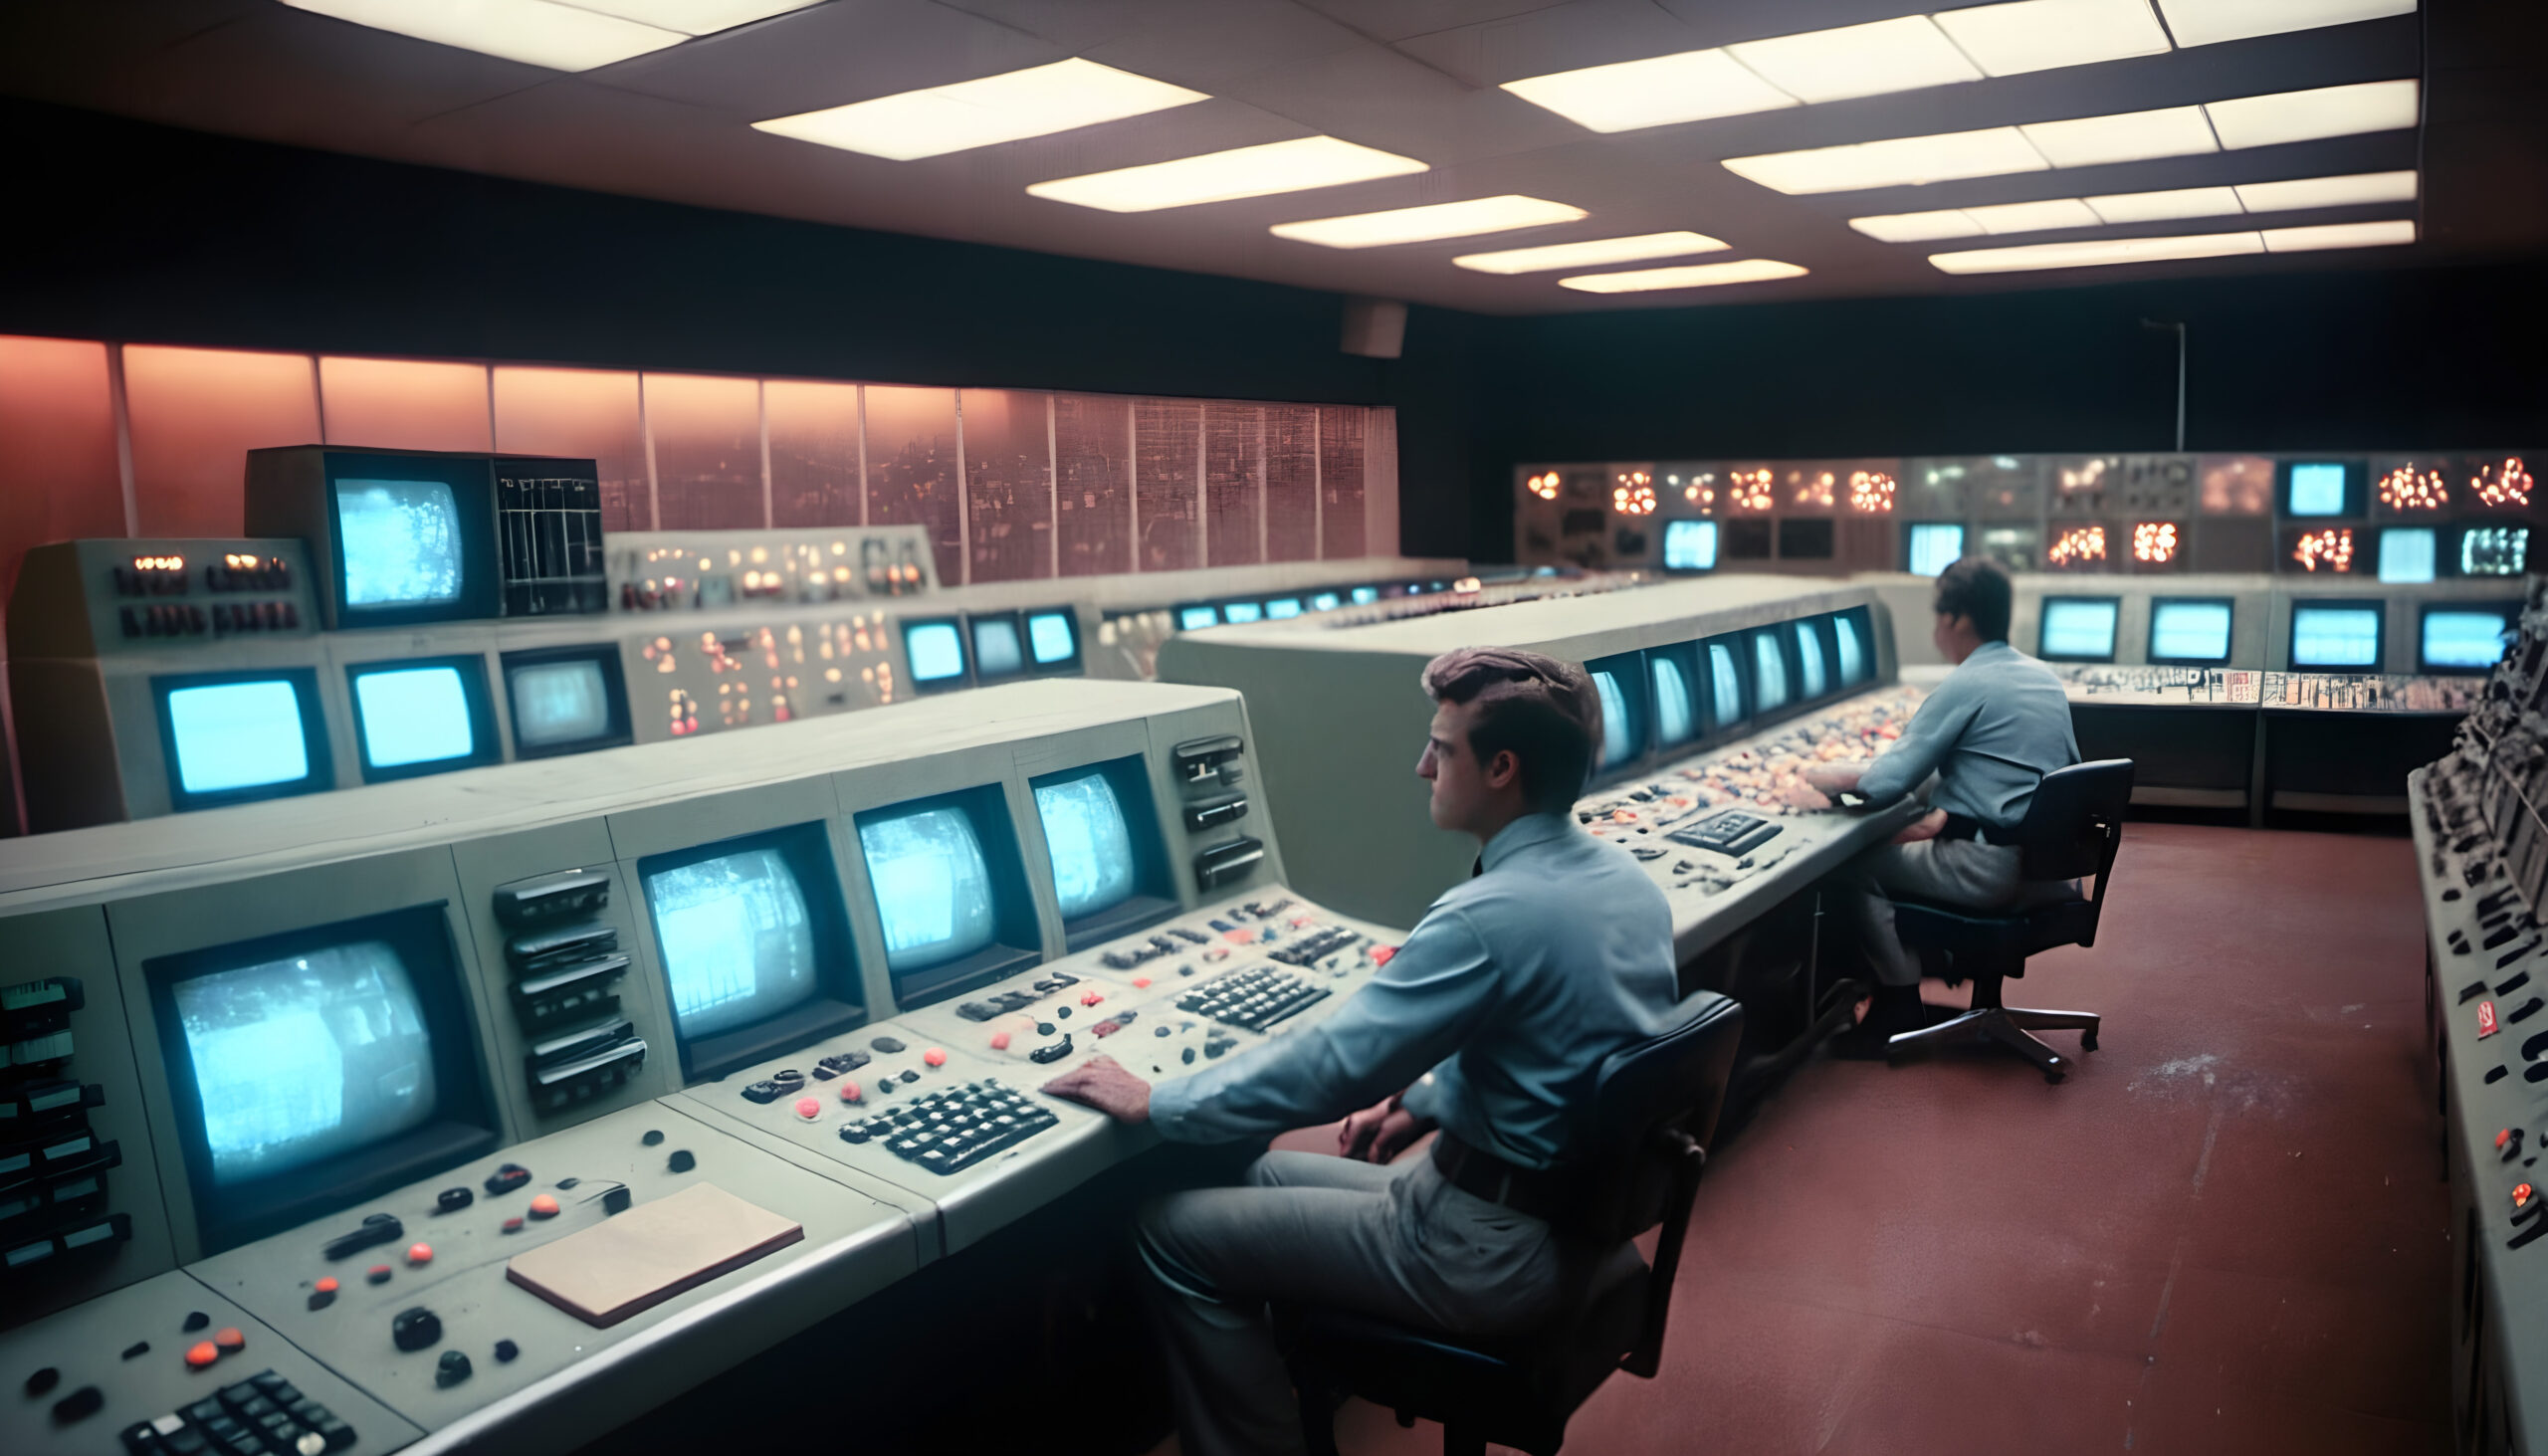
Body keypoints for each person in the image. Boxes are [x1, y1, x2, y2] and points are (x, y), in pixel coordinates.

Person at [1040, 646, 1681, 1456]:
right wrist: (1425, 1101)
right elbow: (1571, 1049)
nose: (1423, 767)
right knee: (1262, 1172)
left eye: (1442, 748)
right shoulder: (1627, 884)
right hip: (1559, 1223)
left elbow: (1331, 1068)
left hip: (1480, 1248)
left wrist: (1157, 1099)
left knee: (1167, 1232)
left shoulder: (1489, 915)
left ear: (1501, 769)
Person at [1802, 555, 2080, 1056]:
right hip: (2050, 871)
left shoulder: (1966, 682)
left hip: (1991, 872)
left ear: (1959, 620)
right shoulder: (2041, 678)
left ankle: (1898, 1007)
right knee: (1905, 846)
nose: (1935, 628)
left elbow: (1884, 784)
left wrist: (1819, 779)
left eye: (1938, 615)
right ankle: (1938, 969)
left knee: (1856, 867)